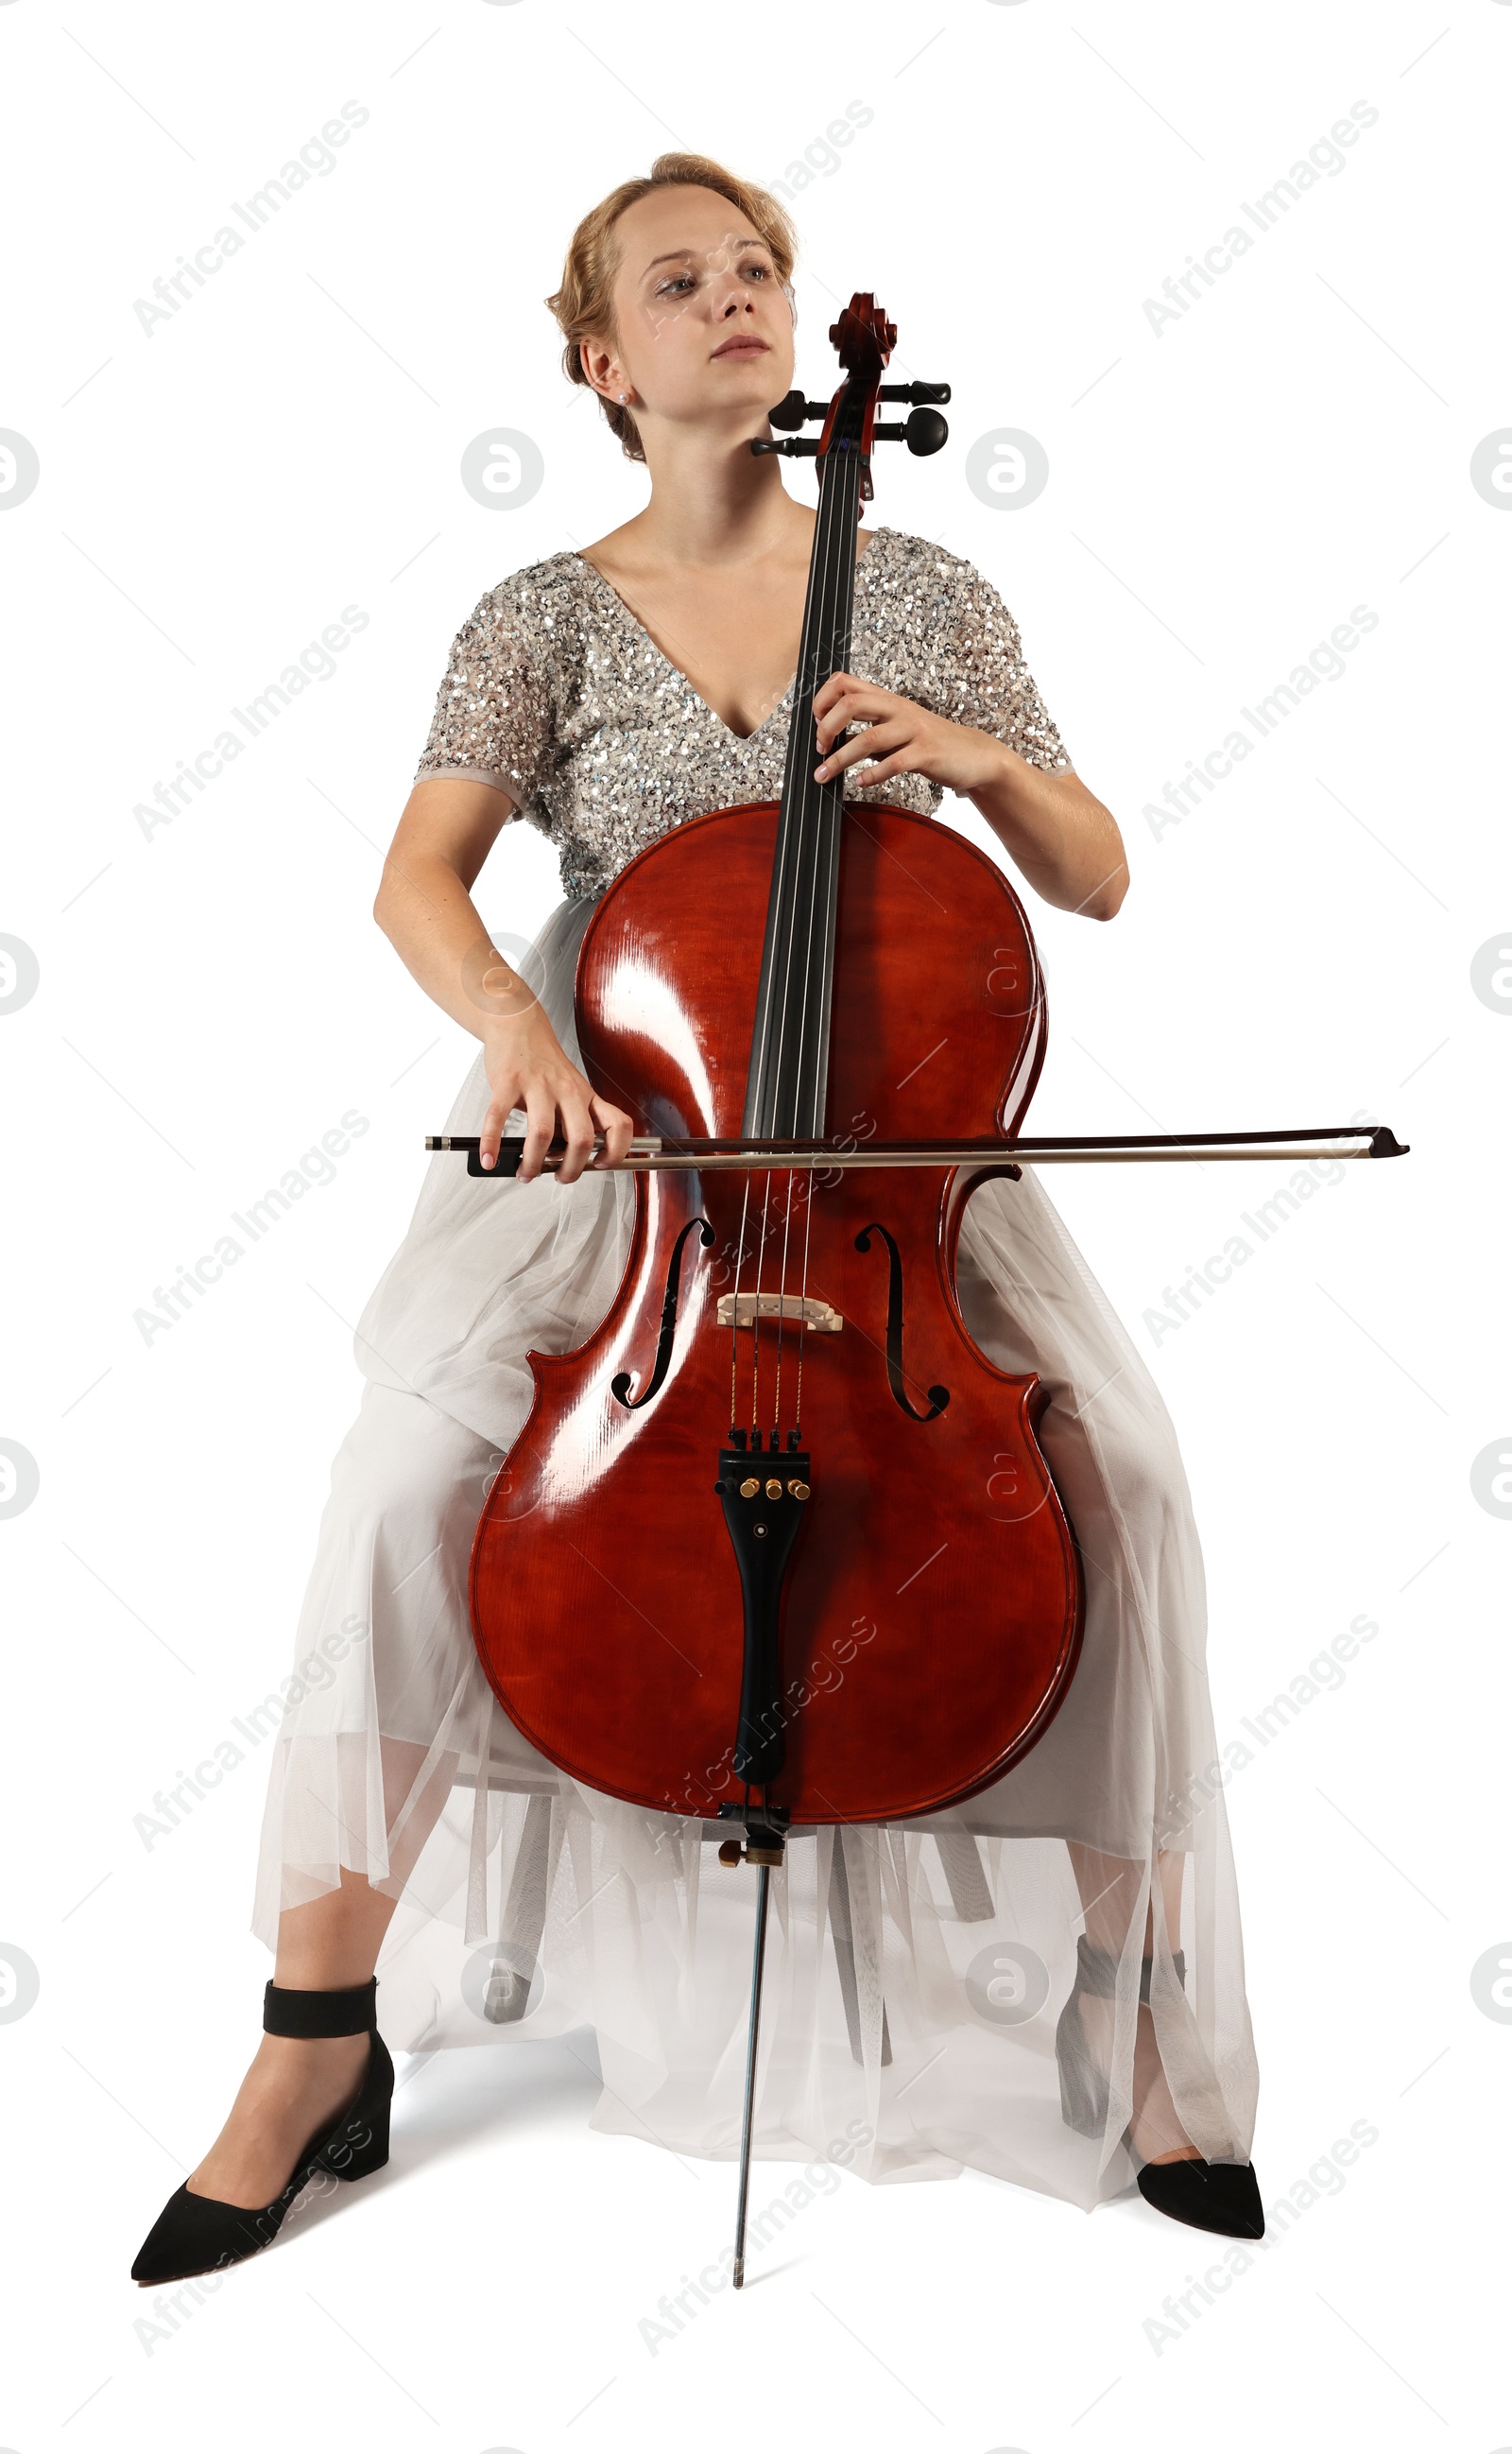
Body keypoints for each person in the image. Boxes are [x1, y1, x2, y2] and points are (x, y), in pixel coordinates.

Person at [133, 152, 1263, 2288]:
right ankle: (312, 2039)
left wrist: (972, 759)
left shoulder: (921, 589)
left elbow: (1094, 870)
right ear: (600, 358)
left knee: (1120, 1485)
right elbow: (416, 880)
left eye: (758, 270)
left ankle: (1139, 2027)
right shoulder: (537, 617)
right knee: (394, 1491)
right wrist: (517, 1041)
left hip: (885, 1187)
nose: (736, 299)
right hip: (625, 1188)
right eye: (681, 281)